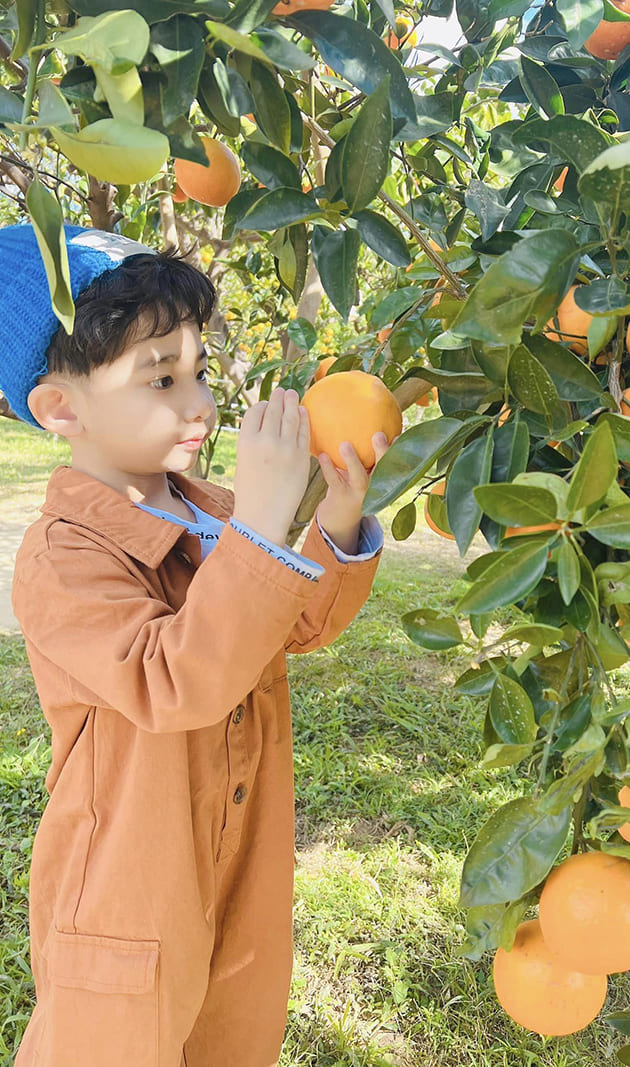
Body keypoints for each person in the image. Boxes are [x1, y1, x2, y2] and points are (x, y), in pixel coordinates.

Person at [1, 222, 390, 1067]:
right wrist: (257, 526)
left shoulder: (207, 507)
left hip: (239, 869)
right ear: (62, 407)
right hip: (128, 893)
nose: (201, 403)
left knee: (228, 1040)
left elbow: (295, 622)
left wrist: (332, 520)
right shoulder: (62, 556)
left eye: (200, 371)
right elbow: (173, 678)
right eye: (162, 378)